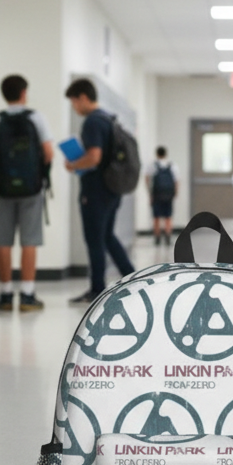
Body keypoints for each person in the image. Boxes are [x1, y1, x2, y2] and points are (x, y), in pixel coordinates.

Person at [63, 78, 136, 304]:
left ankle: (97, 289)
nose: (74, 108)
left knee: (95, 240)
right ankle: (132, 278)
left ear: (83, 97)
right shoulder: (108, 119)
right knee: (107, 236)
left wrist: (73, 164)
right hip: (111, 189)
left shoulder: (93, 122)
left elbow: (94, 157)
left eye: (74, 102)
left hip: (96, 191)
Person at [0, 74, 54, 313]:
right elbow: (49, 151)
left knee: (3, 242)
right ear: (23, 93)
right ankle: (28, 295)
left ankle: (6, 295)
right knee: (29, 241)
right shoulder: (35, 117)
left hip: (3, 188)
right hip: (31, 189)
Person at [146, 146, 179, 246]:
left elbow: (147, 178)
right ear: (166, 154)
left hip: (157, 194)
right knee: (168, 216)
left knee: (156, 216)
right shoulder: (172, 165)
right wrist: (175, 193)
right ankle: (168, 237)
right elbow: (176, 181)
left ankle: (157, 237)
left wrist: (150, 192)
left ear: (157, 154)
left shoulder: (153, 166)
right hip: (168, 195)